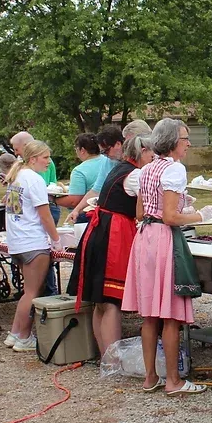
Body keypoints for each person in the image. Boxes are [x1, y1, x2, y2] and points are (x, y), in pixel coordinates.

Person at [122, 118, 210, 397]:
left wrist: (181, 203)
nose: (188, 144)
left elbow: (140, 213)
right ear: (173, 142)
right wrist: (201, 216)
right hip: (163, 240)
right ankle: (173, 380)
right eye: (185, 139)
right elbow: (171, 217)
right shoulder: (174, 169)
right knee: (170, 314)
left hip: (144, 237)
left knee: (150, 315)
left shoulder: (145, 170)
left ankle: (150, 377)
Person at [68, 134, 154, 353]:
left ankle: (105, 356)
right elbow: (147, 207)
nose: (154, 157)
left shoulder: (118, 168)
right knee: (111, 300)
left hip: (100, 230)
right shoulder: (135, 175)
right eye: (151, 153)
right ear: (142, 151)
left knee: (100, 301)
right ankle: (113, 358)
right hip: (113, 234)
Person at [2, 140, 62, 352]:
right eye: (45, 157)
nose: (49, 162)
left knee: (27, 291)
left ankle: (15, 333)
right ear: (33, 158)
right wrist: (56, 239)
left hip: (18, 241)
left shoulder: (16, 177)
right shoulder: (34, 179)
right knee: (32, 293)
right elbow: (44, 214)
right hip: (32, 242)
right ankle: (25, 336)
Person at [65, 125, 126, 224]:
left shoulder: (134, 160)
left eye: (106, 151)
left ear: (118, 144)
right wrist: (77, 210)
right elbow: (95, 191)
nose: (105, 155)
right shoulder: (108, 161)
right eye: (102, 152)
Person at [11, 131, 59, 222]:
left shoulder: (36, 170)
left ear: (26, 146)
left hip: (44, 206)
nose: (15, 153)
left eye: (16, 149)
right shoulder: (25, 170)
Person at [56, 134, 106, 218]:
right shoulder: (109, 161)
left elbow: (74, 201)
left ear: (82, 150)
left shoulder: (79, 171)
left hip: (88, 213)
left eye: (76, 149)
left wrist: (54, 200)